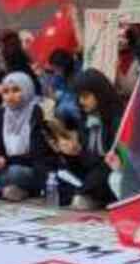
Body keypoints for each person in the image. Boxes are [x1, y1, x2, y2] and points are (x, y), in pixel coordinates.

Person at [51, 69, 123, 209]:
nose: (81, 102)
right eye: (78, 97)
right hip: (90, 172)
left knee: (102, 174)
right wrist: (71, 153)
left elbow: (113, 160)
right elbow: (84, 162)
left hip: (110, 172)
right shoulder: (85, 119)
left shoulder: (117, 119)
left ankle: (85, 195)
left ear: (100, 94)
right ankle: (83, 193)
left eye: (85, 96)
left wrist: (82, 154)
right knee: (55, 175)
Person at [0, 72, 54, 202]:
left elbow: (38, 155)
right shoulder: (2, 113)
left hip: (30, 168)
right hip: (6, 167)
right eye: (6, 92)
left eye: (15, 90)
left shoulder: (36, 111)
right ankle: (8, 190)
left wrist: (5, 161)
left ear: (27, 90)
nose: (10, 96)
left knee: (15, 173)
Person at [41, 49, 83, 127]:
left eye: (56, 68)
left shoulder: (77, 74)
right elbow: (54, 87)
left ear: (63, 65)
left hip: (77, 105)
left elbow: (75, 96)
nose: (55, 71)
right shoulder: (59, 74)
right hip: (67, 100)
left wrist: (58, 96)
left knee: (61, 109)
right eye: (53, 68)